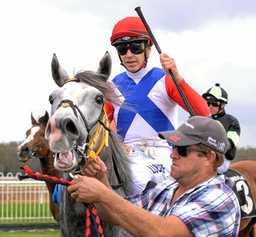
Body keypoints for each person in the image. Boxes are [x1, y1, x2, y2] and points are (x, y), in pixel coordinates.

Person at [68, 116, 241, 237]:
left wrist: (103, 194)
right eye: (172, 146)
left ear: (209, 157)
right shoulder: (166, 187)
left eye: (182, 149)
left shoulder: (220, 198)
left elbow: (162, 233)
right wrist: (101, 179)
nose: (173, 154)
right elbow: (115, 214)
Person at [104, 16, 209, 195]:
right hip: (126, 155)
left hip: (162, 153)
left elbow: (203, 113)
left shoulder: (165, 79)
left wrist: (177, 77)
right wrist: (116, 144)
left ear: (149, 48)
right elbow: (105, 127)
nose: (129, 54)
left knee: (135, 181)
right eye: (122, 49)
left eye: (136, 47)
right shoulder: (112, 86)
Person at [202, 83, 241, 173]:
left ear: (222, 105)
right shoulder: (203, 120)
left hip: (222, 160)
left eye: (214, 103)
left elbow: (229, 144)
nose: (210, 106)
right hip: (204, 157)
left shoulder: (232, 121)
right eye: (208, 103)